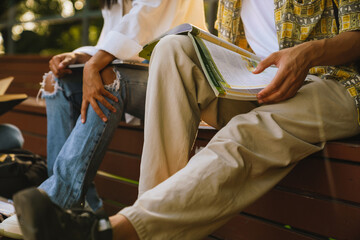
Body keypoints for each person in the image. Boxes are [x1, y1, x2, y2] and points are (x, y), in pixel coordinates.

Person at [12, 0, 360, 239]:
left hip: (333, 81)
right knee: (172, 48)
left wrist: (309, 53)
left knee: (244, 133)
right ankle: (134, 214)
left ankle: (114, 229)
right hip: (258, 83)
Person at [0, 0, 207, 239]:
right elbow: (110, 40)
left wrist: (93, 64)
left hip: (178, 79)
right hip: (138, 79)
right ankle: (84, 205)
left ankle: (57, 202)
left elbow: (147, 17)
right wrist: (77, 56)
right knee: (56, 81)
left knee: (107, 76)